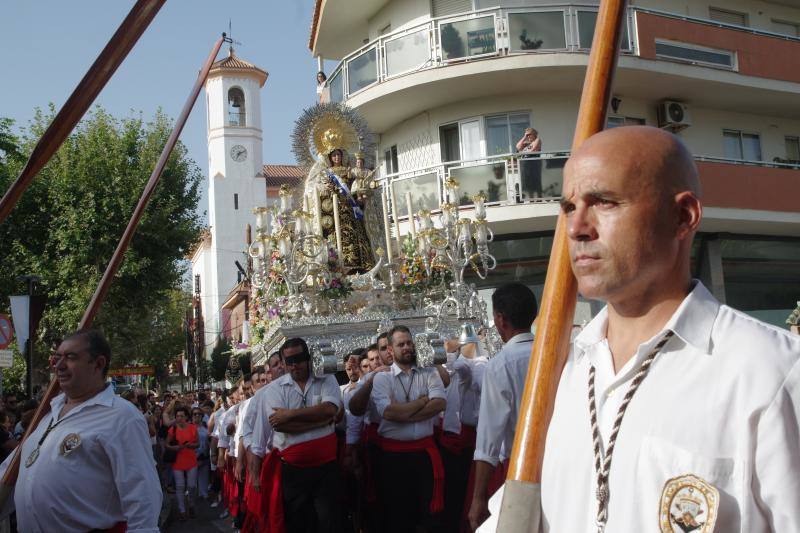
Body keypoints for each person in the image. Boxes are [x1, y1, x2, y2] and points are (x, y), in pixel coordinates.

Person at [533, 126, 800, 531]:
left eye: (604, 202)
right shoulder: (560, 372)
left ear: (683, 217)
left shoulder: (773, 374)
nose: (576, 228)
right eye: (569, 207)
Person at [0, 329, 161, 532]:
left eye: (70, 357)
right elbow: (12, 470)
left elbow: (142, 494)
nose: (59, 365)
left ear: (98, 364)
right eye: (57, 358)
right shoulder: (47, 414)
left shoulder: (122, 417)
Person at [468, 283, 537, 531]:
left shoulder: (499, 365)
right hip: (560, 462)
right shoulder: (560, 353)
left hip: (520, 469)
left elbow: (489, 438)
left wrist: (478, 497)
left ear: (500, 319)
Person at [256, 338, 343, 533]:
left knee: (330, 523)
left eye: (299, 359)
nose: (295, 365)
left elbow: (330, 409)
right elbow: (280, 425)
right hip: (294, 473)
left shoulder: (326, 378)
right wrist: (320, 421)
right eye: (290, 361)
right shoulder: (275, 389)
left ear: (308, 358)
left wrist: (290, 414)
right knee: (299, 525)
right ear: (283, 363)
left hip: (326, 470)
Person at [372, 325, 447, 533]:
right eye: (401, 344)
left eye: (409, 343)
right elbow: (388, 412)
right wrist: (422, 402)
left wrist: (404, 414)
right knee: (398, 518)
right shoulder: (382, 378)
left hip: (424, 456)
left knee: (429, 519)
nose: (406, 347)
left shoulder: (429, 371)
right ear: (390, 350)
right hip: (393, 460)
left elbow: (440, 403)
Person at [167, 405, 199, 520]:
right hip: (177, 461)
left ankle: (191, 505)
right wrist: (174, 448)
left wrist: (191, 445)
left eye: (181, 416)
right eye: (177, 416)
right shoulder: (173, 429)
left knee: (191, 486)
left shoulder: (192, 428)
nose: (179, 418)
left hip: (191, 461)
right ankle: (182, 510)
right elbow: (167, 444)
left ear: (186, 417)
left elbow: (198, 444)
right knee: (180, 486)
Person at [515, 127, 542, 199]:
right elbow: (517, 146)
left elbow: (533, 150)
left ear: (534, 134)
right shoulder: (527, 143)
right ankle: (531, 199)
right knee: (528, 184)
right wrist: (524, 136)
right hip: (526, 166)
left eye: (529, 134)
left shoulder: (537, 140)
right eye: (527, 135)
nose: (528, 136)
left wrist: (521, 153)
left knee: (536, 183)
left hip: (534, 165)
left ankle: (539, 198)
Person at [193, 408, 211, 502]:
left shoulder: (206, 428)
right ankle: (192, 496)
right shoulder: (188, 428)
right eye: (195, 414)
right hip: (192, 457)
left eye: (199, 414)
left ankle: (203, 494)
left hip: (204, 456)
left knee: (204, 476)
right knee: (192, 479)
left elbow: (208, 442)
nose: (197, 416)